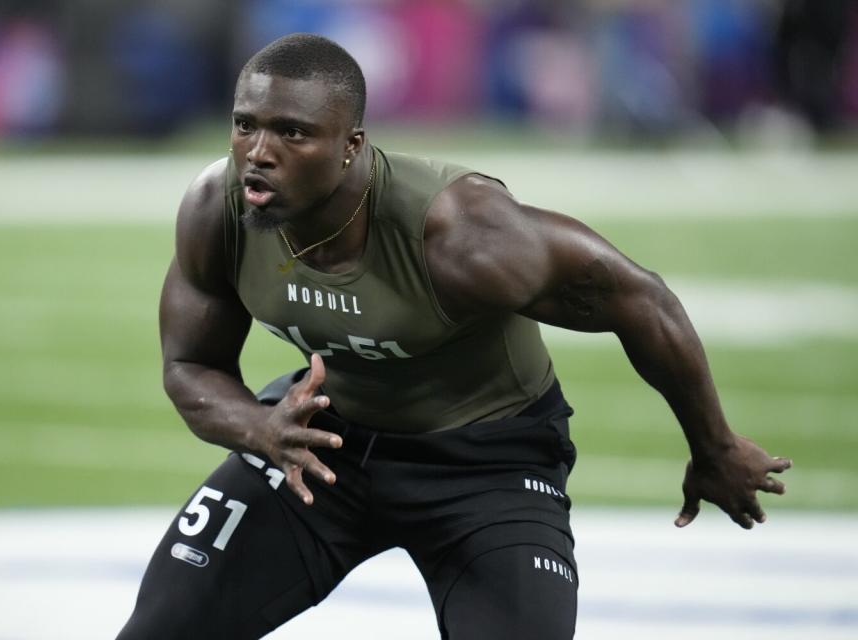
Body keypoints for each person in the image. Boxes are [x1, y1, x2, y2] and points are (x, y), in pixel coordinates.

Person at [117, 33, 791, 640]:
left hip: (486, 467)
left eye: (293, 133)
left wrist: (715, 447)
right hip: (321, 448)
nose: (258, 154)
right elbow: (189, 366)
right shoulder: (218, 207)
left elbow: (641, 299)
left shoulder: (460, 235)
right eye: (245, 126)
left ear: (353, 144)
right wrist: (260, 429)